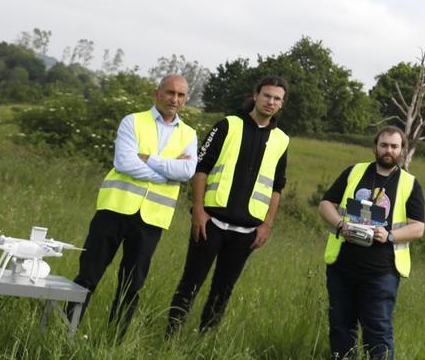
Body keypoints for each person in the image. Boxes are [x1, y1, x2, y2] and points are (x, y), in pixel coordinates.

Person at [72, 74, 198, 334]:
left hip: (151, 220)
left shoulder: (189, 135)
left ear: (186, 100)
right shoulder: (133, 121)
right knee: (87, 278)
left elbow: (186, 172)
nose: (174, 99)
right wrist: (166, 173)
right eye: (170, 93)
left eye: (181, 95)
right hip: (114, 210)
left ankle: (113, 343)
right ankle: (65, 331)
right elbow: (124, 163)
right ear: (157, 93)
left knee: (131, 287)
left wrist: (148, 159)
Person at [165, 75, 290, 334]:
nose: (271, 102)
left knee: (223, 291)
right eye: (267, 95)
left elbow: (277, 186)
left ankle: (203, 341)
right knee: (191, 283)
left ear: (282, 104)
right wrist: (197, 209)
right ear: (256, 96)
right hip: (210, 222)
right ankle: (169, 337)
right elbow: (202, 168)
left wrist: (267, 224)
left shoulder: (281, 140)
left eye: (277, 98)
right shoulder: (227, 125)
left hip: (246, 232)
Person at [319, 125, 425, 359]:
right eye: (384, 145)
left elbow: (418, 228)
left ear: (402, 150)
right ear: (375, 147)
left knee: (378, 334)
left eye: (394, 146)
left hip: (381, 272)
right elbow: (326, 204)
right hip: (342, 267)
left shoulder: (409, 184)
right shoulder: (354, 172)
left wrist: (389, 236)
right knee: (340, 329)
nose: (389, 150)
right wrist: (340, 225)